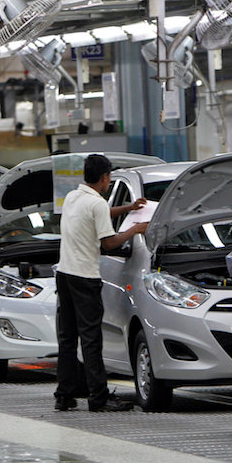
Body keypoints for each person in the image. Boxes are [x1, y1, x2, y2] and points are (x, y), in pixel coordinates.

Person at [54, 154, 148, 412]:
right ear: (105, 177)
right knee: (91, 339)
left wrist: (128, 209)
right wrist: (134, 229)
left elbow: (100, 213)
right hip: (85, 278)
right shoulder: (96, 204)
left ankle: (64, 395)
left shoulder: (74, 197)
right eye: (109, 178)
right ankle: (98, 397)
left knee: (67, 339)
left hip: (64, 275)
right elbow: (108, 244)